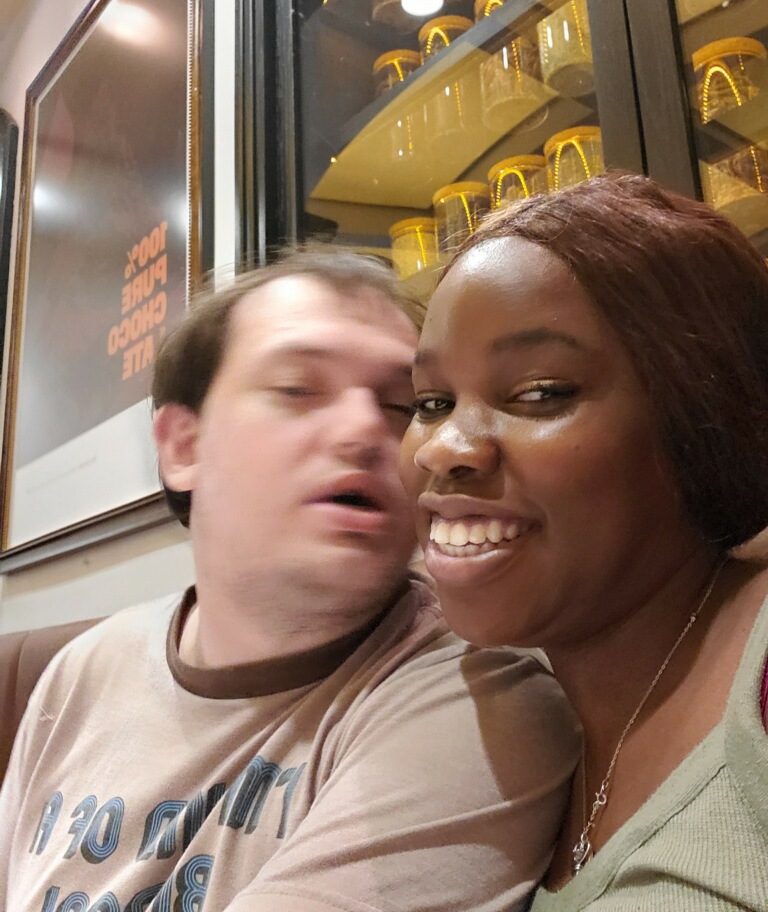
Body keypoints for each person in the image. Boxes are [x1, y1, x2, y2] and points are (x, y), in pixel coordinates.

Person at [0, 250, 579, 912]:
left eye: (404, 404)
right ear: (183, 447)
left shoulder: (481, 705)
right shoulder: (84, 671)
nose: (366, 430)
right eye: (297, 389)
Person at [399, 172, 768, 911]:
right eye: (432, 402)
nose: (442, 448)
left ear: (701, 411)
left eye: (540, 393)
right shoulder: (506, 740)